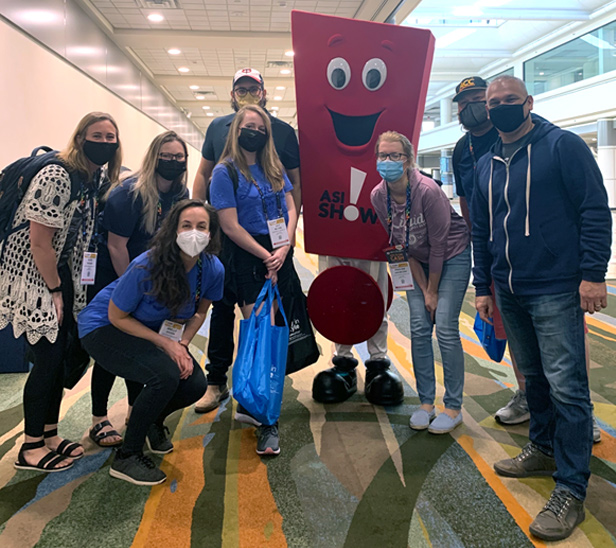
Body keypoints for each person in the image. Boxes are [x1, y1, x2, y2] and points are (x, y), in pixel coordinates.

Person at [472, 75, 612, 541]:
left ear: (528, 103)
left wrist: (593, 274)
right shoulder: (488, 161)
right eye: (494, 103)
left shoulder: (562, 146)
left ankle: (571, 487)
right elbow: (481, 230)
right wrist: (483, 287)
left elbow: (594, 208)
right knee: (531, 379)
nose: (500, 108)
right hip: (509, 288)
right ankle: (542, 447)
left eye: (509, 101)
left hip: (555, 286)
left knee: (568, 389)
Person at [0, 112, 121, 472]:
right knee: (47, 361)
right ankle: (30, 447)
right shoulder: (57, 174)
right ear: (80, 137)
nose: (104, 142)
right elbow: (39, 243)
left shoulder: (90, 177)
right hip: (32, 274)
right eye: (96, 135)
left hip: (59, 273)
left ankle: (50, 435)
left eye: (110, 137)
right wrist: (54, 290)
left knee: (60, 358)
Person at [79, 200, 224, 485]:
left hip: (152, 330)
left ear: (211, 233)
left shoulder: (212, 268)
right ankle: (127, 457)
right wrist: (165, 344)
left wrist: (181, 344)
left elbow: (200, 312)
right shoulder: (147, 264)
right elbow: (117, 316)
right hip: (105, 327)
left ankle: (150, 422)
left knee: (194, 383)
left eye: (201, 226)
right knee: (165, 376)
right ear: (173, 230)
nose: (193, 233)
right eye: (186, 225)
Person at [192, 68, 301, 415]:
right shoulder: (219, 136)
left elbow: (293, 190)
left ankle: (262, 381)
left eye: (253, 88)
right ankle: (216, 380)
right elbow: (203, 174)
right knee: (222, 309)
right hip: (231, 241)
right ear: (232, 93)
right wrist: (196, 222)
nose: (248, 93)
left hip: (276, 242)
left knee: (270, 313)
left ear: (264, 92)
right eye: (241, 88)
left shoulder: (282, 135)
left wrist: (288, 240)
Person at [87, 131, 190, 448]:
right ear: (154, 156)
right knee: (112, 350)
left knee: (140, 349)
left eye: (178, 157)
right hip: (115, 277)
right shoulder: (128, 193)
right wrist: (130, 291)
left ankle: (135, 411)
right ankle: (98, 419)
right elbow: (117, 247)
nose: (172, 162)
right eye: (166, 156)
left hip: (152, 282)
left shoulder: (180, 192)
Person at [209, 104, 297, 456]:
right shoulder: (224, 172)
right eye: (248, 126)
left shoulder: (273, 167)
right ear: (236, 130)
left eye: (260, 127)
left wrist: (286, 245)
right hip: (248, 255)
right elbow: (229, 226)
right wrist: (266, 257)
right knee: (262, 332)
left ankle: (251, 400)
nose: (254, 132)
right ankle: (267, 420)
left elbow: (290, 207)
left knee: (274, 331)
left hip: (279, 250)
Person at [370, 131, 471, 434]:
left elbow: (439, 246)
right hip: (416, 261)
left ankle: (452, 407)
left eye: (395, 156)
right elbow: (401, 245)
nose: (388, 161)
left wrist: (433, 291)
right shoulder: (378, 196)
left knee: (446, 327)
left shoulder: (427, 191)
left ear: (409, 159)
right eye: (382, 156)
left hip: (451, 256)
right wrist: (422, 287)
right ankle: (426, 403)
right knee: (418, 326)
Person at [451, 76, 530, 426]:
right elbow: (469, 206)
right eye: (463, 100)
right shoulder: (460, 150)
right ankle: (528, 394)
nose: (470, 106)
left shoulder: (523, 138)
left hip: (537, 250)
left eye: (477, 98)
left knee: (562, 333)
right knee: (512, 328)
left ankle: (578, 409)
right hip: (494, 253)